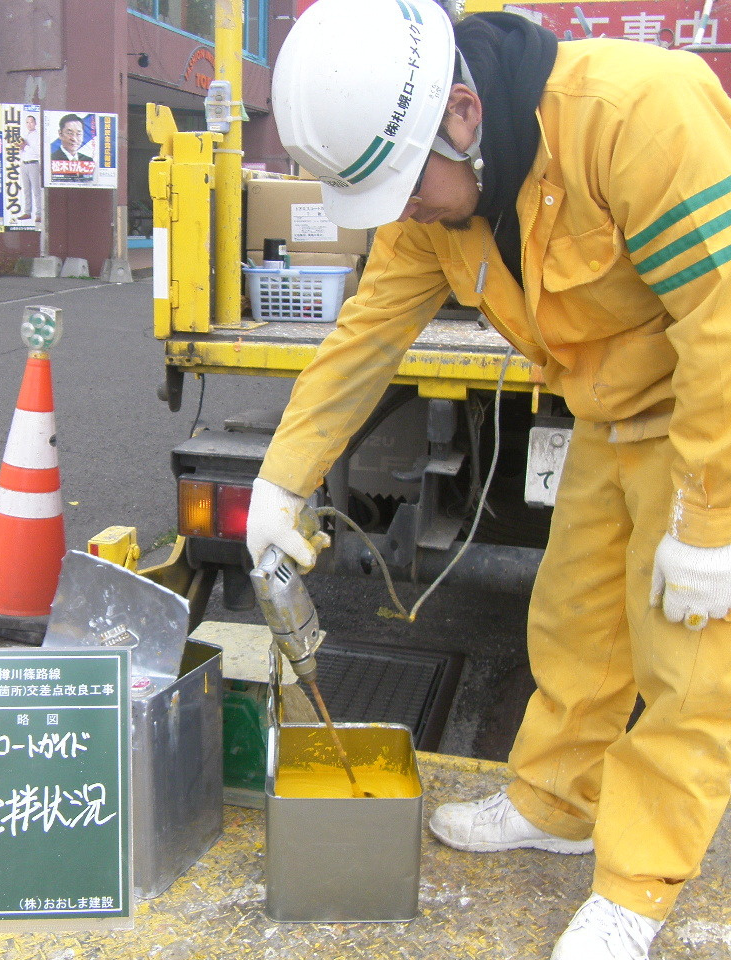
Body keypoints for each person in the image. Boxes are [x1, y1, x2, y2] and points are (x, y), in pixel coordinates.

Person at [244, 0, 731, 957]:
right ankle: (555, 805)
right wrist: (282, 480)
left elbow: (723, 321)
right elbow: (367, 335)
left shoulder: (636, 116)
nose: (403, 211)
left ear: (462, 110)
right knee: (576, 621)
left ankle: (638, 885)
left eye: (404, 187)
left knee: (689, 659)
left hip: (708, 411)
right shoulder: (433, 197)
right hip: (605, 412)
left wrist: (710, 522)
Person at [17, 114, 42, 222]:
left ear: (35, 123)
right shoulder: (25, 135)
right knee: (26, 190)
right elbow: (22, 150)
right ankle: (27, 212)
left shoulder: (37, 136)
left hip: (33, 164)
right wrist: (21, 147)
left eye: (31, 122)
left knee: (36, 190)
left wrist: (25, 146)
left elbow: (36, 151)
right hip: (24, 164)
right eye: (27, 122)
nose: (29, 124)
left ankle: (39, 213)